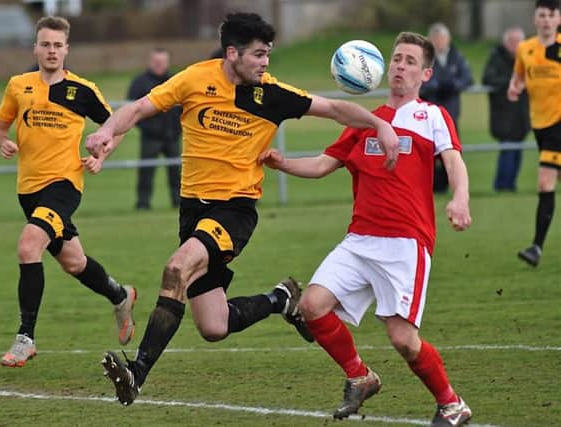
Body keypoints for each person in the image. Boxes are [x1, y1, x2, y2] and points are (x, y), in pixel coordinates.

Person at [85, 12, 399, 406]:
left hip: (234, 212)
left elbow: (335, 109)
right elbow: (138, 108)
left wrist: (379, 125)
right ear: (232, 53)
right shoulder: (195, 79)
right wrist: (106, 131)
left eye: (267, 54)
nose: (265, 63)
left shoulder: (273, 95)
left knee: (176, 269)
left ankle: (137, 373)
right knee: (214, 326)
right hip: (193, 214)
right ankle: (280, 300)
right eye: (257, 55)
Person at [260, 31, 472, 426]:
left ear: (425, 73)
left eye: (410, 61)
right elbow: (325, 164)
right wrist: (283, 163)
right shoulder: (366, 121)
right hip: (360, 240)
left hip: (406, 243)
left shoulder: (433, 116)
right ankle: (360, 376)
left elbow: (454, 161)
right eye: (396, 59)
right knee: (311, 307)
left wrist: (460, 198)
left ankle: (452, 403)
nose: (400, 67)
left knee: (403, 340)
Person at [0, 16, 136, 368]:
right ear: (35, 48)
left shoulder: (83, 90)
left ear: (67, 49)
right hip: (28, 190)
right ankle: (120, 295)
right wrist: (3, 143)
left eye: (58, 45)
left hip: (64, 185)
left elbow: (117, 127)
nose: (52, 51)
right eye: (46, 44)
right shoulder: (18, 85)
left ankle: (26, 337)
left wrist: (101, 154)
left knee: (28, 246)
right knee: (74, 263)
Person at [508, 0, 561, 267]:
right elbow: (519, 76)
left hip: (558, 126)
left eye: (552, 15)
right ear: (535, 19)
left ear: (559, 19)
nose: (547, 20)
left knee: (545, 182)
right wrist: (514, 87)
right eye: (542, 15)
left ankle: (536, 247)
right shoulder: (525, 49)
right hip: (539, 126)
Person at [420, 22, 473, 193]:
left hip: (450, 113)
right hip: (427, 114)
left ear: (448, 40)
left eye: (442, 39)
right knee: (426, 151)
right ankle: (429, 186)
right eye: (435, 39)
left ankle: (450, 185)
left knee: (450, 151)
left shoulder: (457, 57)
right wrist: (434, 86)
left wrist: (452, 85)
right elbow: (417, 82)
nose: (439, 42)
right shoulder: (424, 59)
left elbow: (467, 78)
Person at [128, 48, 182, 210]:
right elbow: (130, 108)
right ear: (150, 62)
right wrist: (146, 127)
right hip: (150, 137)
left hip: (173, 135)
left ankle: (178, 203)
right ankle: (143, 204)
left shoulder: (176, 81)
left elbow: (186, 107)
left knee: (176, 172)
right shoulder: (140, 82)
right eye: (156, 62)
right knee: (146, 172)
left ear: (168, 62)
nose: (159, 65)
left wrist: (178, 126)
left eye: (162, 62)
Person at [483, 27, 530, 192]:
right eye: (512, 41)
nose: (515, 45)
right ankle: (502, 185)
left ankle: (511, 185)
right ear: (505, 43)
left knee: (517, 150)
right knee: (508, 149)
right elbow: (488, 78)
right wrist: (513, 82)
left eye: (518, 41)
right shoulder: (496, 57)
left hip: (522, 112)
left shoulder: (528, 58)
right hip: (503, 112)